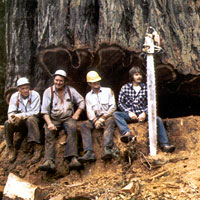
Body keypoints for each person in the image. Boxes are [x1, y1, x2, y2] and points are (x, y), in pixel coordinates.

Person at [113, 66, 175, 153]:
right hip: (130, 115)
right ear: (131, 76)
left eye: (140, 74)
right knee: (116, 114)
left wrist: (145, 113)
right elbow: (120, 103)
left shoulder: (146, 87)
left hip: (143, 114)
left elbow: (151, 102)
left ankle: (165, 145)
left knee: (157, 119)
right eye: (136, 74)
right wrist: (129, 112)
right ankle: (127, 133)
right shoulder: (125, 88)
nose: (139, 77)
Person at [38, 69, 85, 171]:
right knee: (49, 133)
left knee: (72, 129)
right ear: (53, 80)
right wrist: (49, 123)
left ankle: (73, 158)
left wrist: (77, 113)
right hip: (54, 119)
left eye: (61, 81)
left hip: (68, 118)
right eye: (56, 80)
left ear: (64, 82)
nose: (58, 83)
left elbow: (81, 101)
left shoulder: (70, 90)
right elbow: (44, 111)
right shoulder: (48, 92)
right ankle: (49, 160)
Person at [78, 71, 116, 163]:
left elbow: (113, 106)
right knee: (84, 125)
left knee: (110, 121)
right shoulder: (88, 96)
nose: (96, 83)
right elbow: (89, 111)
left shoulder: (108, 91)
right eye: (94, 82)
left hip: (107, 116)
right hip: (95, 119)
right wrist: (95, 121)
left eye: (97, 81)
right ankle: (89, 152)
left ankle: (107, 148)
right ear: (89, 83)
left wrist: (103, 117)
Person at [4, 77, 42, 163]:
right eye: (23, 88)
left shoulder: (35, 95)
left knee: (31, 119)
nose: (25, 90)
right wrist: (12, 118)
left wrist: (20, 116)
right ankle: (10, 148)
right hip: (21, 123)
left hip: (34, 122)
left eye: (27, 88)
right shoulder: (14, 97)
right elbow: (11, 111)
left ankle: (37, 148)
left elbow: (35, 112)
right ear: (18, 89)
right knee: (7, 123)